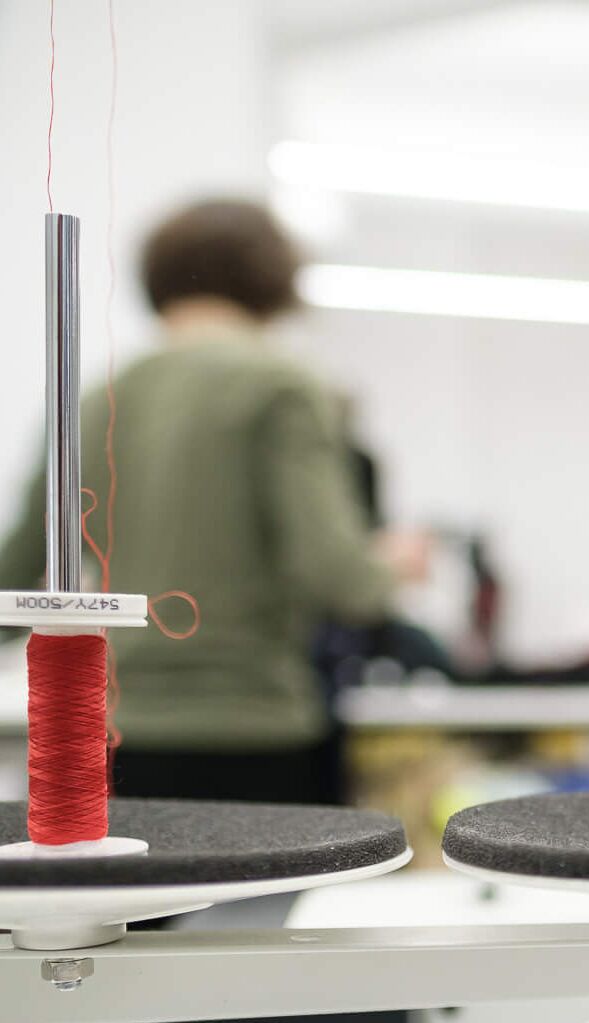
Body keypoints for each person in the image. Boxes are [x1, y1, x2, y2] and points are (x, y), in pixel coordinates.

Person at [0, 198, 425, 803]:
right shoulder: (282, 386)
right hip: (255, 736)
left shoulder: (95, 400)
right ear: (275, 282)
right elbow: (341, 581)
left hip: (120, 739)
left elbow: (15, 575)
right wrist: (395, 564)